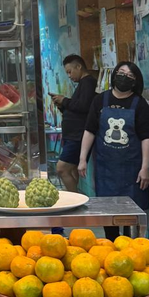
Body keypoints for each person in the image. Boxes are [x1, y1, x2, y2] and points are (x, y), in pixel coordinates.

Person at [78, 61, 149, 241]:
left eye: (129, 76)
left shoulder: (139, 104)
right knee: (107, 212)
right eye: (121, 73)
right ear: (114, 75)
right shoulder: (100, 100)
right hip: (106, 169)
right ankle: (110, 246)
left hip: (132, 169)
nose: (124, 78)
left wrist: (145, 168)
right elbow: (90, 131)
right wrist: (82, 159)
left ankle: (130, 248)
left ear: (135, 81)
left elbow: (146, 138)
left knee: (131, 214)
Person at [49, 54, 97, 193]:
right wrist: (62, 105)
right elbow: (77, 107)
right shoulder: (83, 83)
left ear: (79, 66)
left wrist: (64, 101)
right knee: (72, 170)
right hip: (73, 136)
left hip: (78, 137)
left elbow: (83, 106)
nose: (69, 76)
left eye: (70, 71)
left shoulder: (88, 83)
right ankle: (75, 197)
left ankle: (73, 198)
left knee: (62, 168)